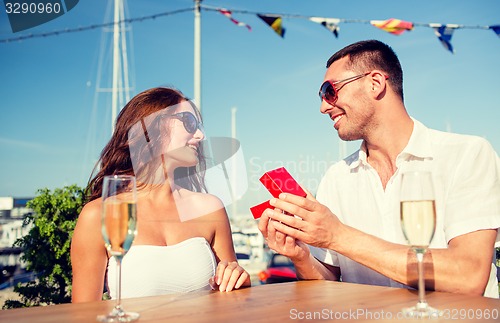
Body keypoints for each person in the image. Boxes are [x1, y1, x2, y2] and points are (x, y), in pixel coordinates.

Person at [258, 40, 500, 298]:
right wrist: (301, 257)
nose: (323, 107)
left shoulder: (467, 154)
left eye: (329, 91)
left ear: (375, 83)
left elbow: (468, 276)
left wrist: (337, 235)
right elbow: (326, 283)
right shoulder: (336, 177)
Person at [71, 87, 250, 303]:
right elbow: (84, 314)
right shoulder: (99, 214)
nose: (201, 136)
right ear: (151, 126)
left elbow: (231, 297)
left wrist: (239, 280)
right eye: (189, 123)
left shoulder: (211, 208)